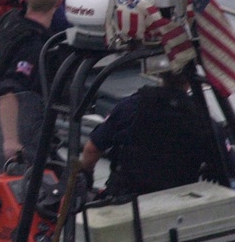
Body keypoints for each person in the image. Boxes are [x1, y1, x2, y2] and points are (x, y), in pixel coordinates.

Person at [79, 66, 220, 197]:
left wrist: (88, 179)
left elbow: (91, 150)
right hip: (179, 206)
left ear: (159, 75)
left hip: (126, 202)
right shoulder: (203, 118)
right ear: (190, 81)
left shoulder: (129, 107)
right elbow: (227, 164)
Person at [0, 0, 64, 160]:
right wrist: (11, 141)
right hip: (23, 136)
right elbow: (10, 92)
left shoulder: (9, 19)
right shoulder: (34, 46)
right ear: (58, 3)